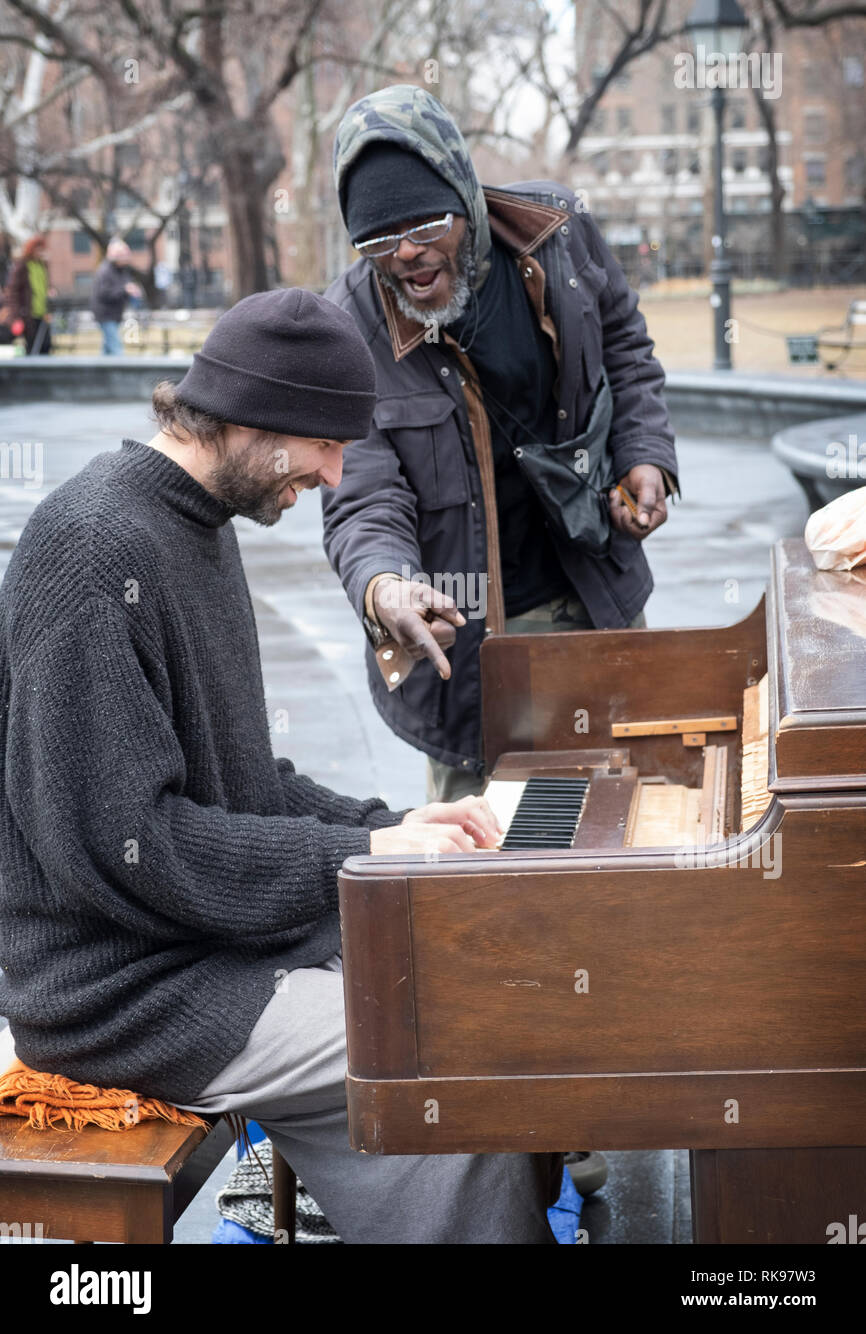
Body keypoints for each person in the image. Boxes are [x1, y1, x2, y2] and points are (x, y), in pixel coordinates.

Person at [0, 287, 561, 1244]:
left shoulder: (193, 526)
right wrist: (361, 853)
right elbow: (131, 847)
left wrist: (390, 828)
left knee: (478, 969)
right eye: (326, 446)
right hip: (120, 992)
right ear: (259, 419)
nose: (338, 476)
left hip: (194, 951)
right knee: (444, 1040)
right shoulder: (96, 552)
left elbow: (249, 779)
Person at [322, 85, 680, 804]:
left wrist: (645, 456)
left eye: (427, 224)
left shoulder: (559, 229)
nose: (410, 255)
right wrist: (384, 585)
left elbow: (624, 345)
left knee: (636, 817)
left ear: (465, 193)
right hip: (468, 649)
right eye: (379, 241)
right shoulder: (351, 325)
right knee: (483, 876)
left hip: (597, 591)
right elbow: (361, 495)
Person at [2, 233, 53, 354]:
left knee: (46, 345)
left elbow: (44, 287)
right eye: (38, 249)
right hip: (28, 315)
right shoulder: (22, 266)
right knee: (32, 346)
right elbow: (12, 292)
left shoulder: (42, 265)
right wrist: (16, 317)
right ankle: (32, 371)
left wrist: (50, 292)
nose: (41, 252)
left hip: (42, 313)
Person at [90, 237, 140, 354]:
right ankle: (123, 371)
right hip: (105, 314)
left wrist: (131, 290)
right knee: (116, 348)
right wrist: (125, 289)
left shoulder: (122, 270)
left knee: (107, 349)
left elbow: (124, 287)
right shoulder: (105, 271)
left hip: (115, 313)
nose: (126, 258)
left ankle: (99, 371)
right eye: (123, 255)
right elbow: (103, 293)